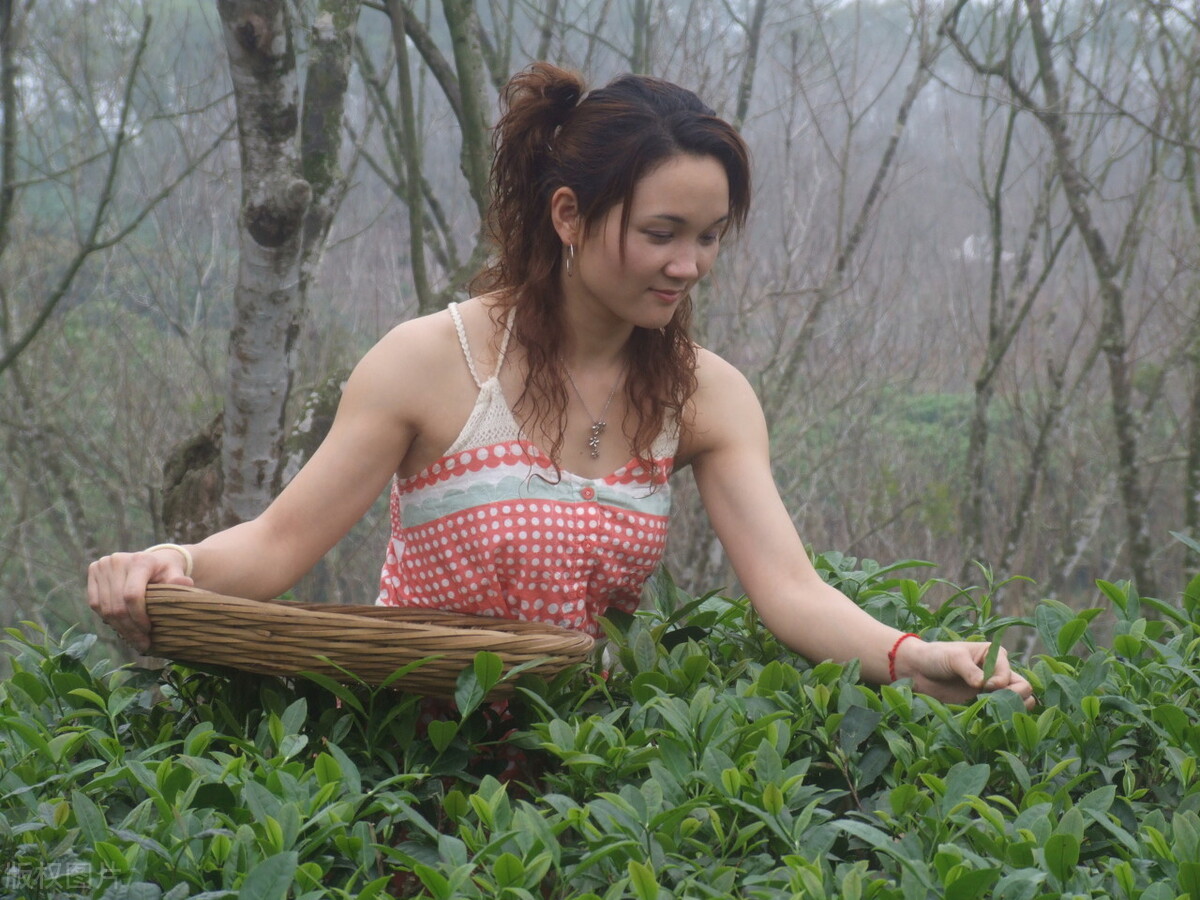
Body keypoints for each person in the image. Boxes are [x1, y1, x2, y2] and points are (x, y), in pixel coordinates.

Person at [87, 63, 1034, 709]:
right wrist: (170, 568)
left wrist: (913, 657)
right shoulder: (431, 361)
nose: (690, 265)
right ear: (571, 215)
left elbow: (788, 588)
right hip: (407, 761)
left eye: (709, 237)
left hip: (590, 773)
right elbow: (278, 544)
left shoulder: (708, 396)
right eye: (662, 232)